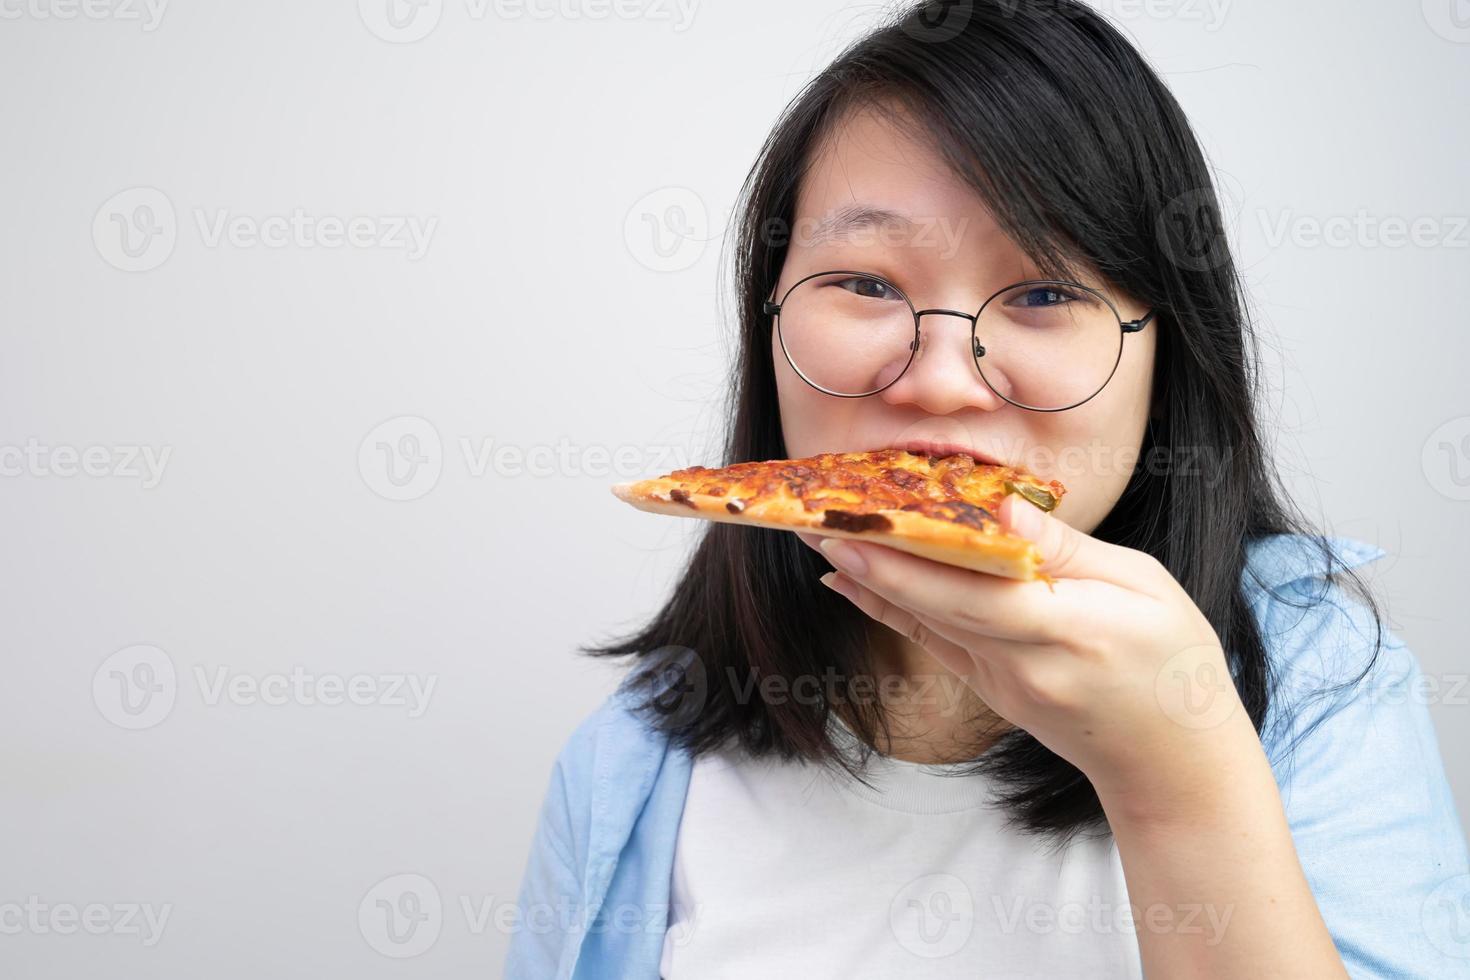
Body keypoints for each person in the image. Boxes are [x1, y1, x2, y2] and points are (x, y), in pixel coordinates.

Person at [506, 1, 1470, 976]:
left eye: (1045, 292)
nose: (940, 376)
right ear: (770, 320)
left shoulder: (1322, 680)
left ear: (1166, 349)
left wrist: (1179, 778)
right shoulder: (629, 761)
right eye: (867, 285)